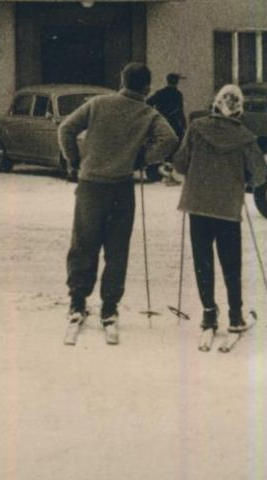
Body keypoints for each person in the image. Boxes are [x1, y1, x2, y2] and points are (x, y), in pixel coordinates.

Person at [58, 63, 179, 332]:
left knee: (83, 244)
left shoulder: (98, 103)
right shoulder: (148, 113)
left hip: (90, 186)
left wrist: (74, 161)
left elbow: (65, 129)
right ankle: (109, 307)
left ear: (121, 81)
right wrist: (142, 160)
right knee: (117, 250)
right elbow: (170, 139)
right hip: (122, 189)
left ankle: (77, 302)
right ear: (147, 88)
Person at [172, 83, 267, 337]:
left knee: (202, 261)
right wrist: (245, 177)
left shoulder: (196, 128)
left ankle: (208, 313)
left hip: (197, 205)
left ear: (215, 104)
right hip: (227, 208)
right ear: (239, 110)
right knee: (231, 262)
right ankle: (235, 315)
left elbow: (180, 165)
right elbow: (260, 174)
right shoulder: (245, 137)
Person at [145, 72, 187, 184]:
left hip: (161, 123)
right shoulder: (178, 94)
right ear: (176, 82)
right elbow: (180, 112)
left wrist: (155, 114)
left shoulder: (161, 93)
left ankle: (160, 173)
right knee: (174, 149)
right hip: (174, 124)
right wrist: (184, 126)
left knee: (162, 147)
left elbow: (148, 103)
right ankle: (170, 175)